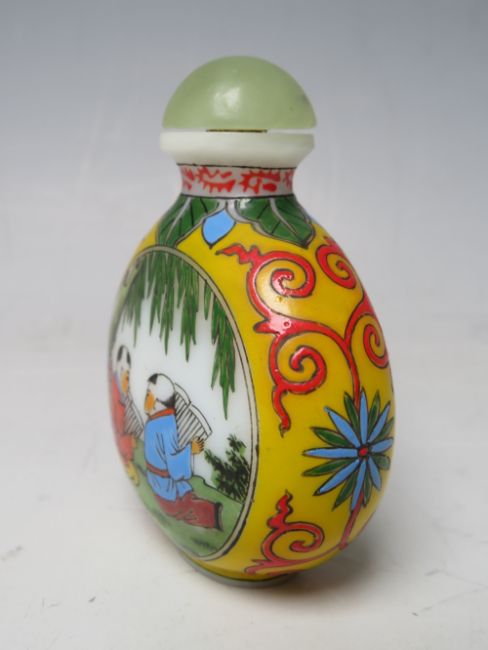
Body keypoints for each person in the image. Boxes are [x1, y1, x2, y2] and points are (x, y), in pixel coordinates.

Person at [143, 373, 222, 529]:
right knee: (188, 506)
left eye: (148, 395)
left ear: (155, 399)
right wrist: (190, 450)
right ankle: (214, 516)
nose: (146, 399)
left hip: (155, 483)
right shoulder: (166, 423)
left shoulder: (154, 422)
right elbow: (174, 468)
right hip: (165, 490)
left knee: (187, 500)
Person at [110, 345, 140, 485]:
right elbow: (120, 420)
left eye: (127, 373)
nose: (126, 377)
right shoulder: (117, 390)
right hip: (123, 432)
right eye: (124, 372)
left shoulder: (121, 389)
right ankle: (129, 464)